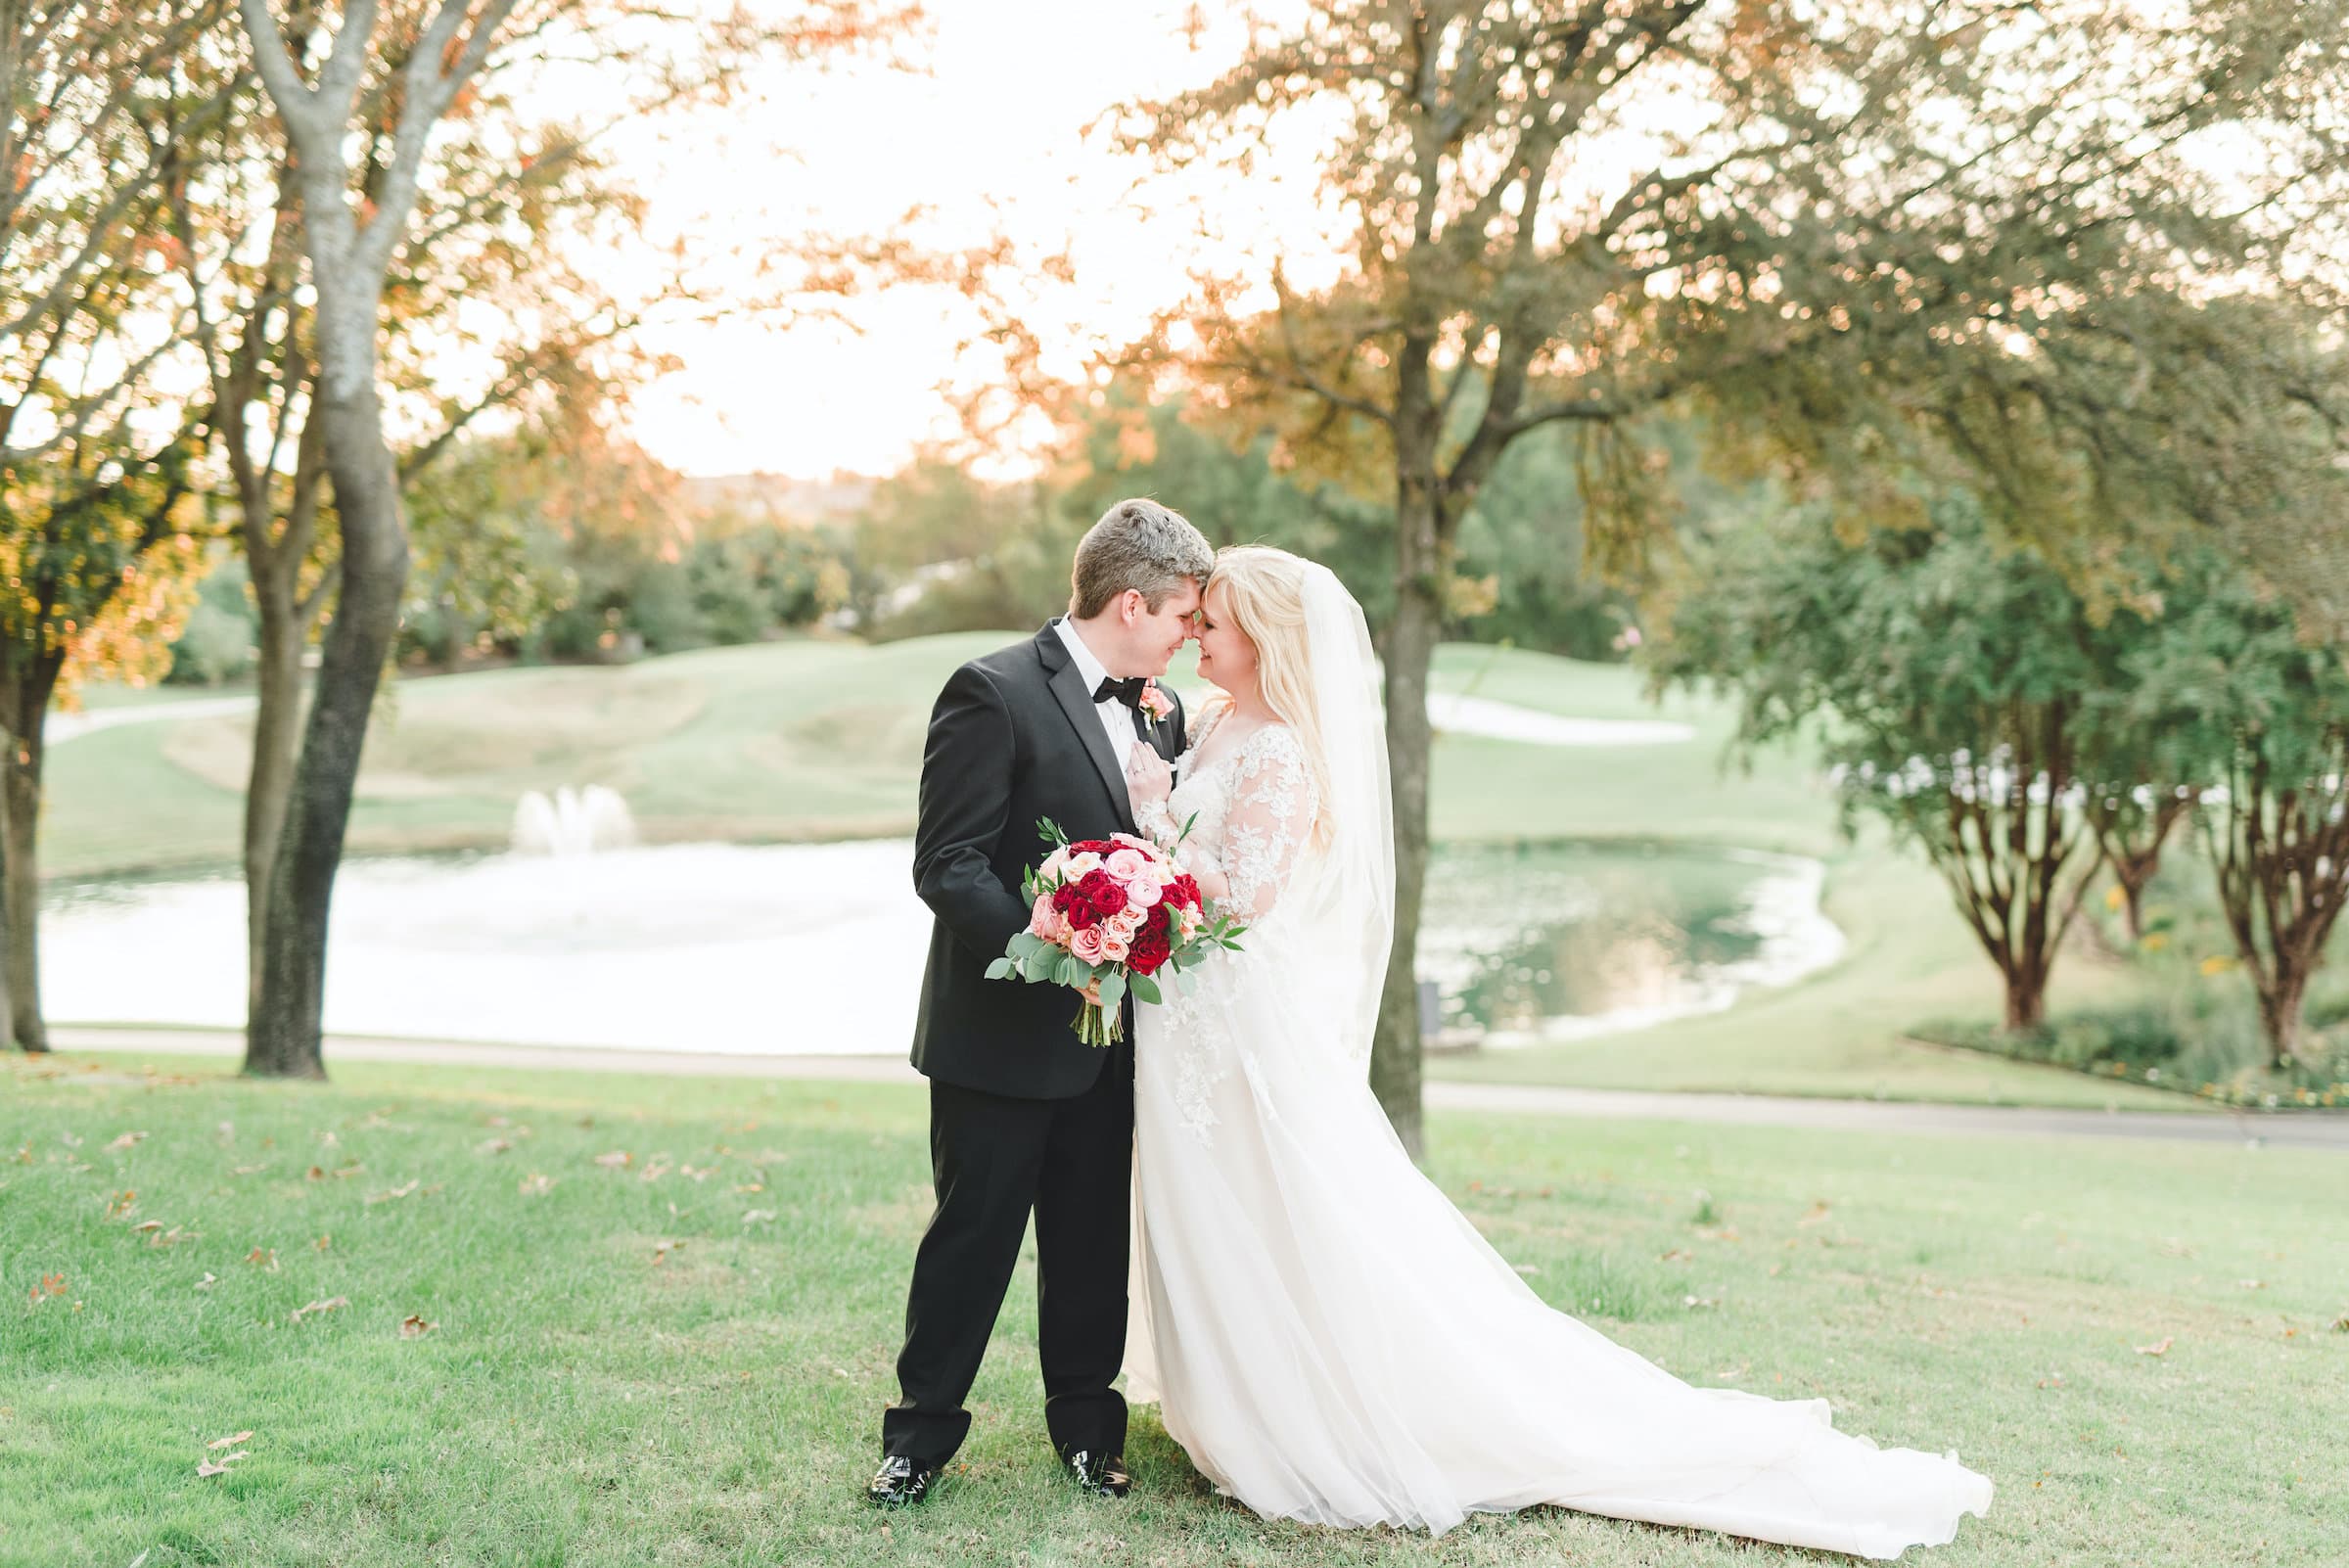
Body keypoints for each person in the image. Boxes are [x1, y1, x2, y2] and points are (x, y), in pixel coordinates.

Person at [1118, 544, 1995, 1558]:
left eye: (1212, 624)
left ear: (1263, 639)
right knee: (1224, 1209)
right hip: (1191, 1019)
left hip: (1239, 1030)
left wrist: (1146, 831)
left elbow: (1250, 894)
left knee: (1283, 1211)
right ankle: (1238, 1404)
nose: (1196, 637)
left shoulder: (1283, 754)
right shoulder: (1219, 724)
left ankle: (1311, 1422)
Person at [868, 498, 1213, 1507]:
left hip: (1113, 1046)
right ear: (1133, 601)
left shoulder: (1163, 710)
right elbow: (948, 864)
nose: (1191, 637)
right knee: (971, 1241)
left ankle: (1086, 1432)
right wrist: (1053, 943)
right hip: (998, 1038)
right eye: (1184, 617)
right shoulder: (993, 691)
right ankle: (919, 1441)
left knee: (1090, 1240)